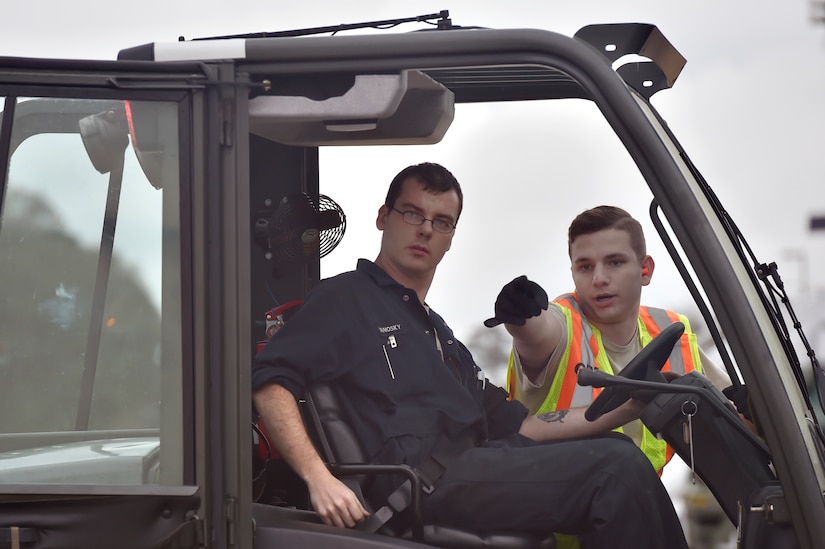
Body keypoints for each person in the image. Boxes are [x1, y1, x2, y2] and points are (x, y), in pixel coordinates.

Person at [252, 165, 688, 548]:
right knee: (614, 469)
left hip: (477, 466)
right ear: (384, 218)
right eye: (412, 213)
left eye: (441, 222)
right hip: (425, 484)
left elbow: (527, 426)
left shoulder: (437, 333)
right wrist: (317, 477)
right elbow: (271, 381)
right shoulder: (346, 297)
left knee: (613, 448)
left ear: (450, 239)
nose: (425, 229)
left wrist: (631, 404)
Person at [484, 205, 732, 474]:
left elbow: (734, 409)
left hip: (633, 502)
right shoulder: (561, 325)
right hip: (553, 508)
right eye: (585, 266)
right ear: (573, 273)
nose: (599, 278)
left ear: (645, 270)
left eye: (615, 262)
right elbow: (536, 331)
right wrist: (520, 315)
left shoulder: (670, 330)